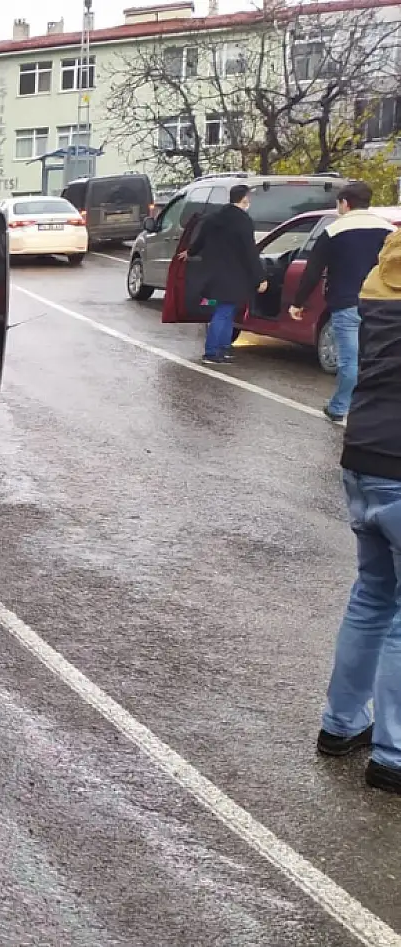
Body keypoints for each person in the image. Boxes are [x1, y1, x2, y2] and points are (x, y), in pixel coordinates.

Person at [317, 227, 401, 796]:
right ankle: (394, 754)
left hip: (364, 454)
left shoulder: (378, 284)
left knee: (373, 594)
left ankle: (341, 724)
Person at [290, 182, 394, 423]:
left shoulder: (334, 231)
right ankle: (375, 409)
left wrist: (298, 302)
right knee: (378, 358)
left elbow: (313, 271)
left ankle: (339, 407)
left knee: (349, 360)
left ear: (345, 203)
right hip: (383, 305)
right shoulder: (389, 231)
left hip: (347, 303)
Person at [184, 184, 267, 365]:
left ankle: (223, 348)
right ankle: (213, 351)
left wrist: (189, 252)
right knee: (224, 312)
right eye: (249, 197)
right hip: (234, 276)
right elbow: (249, 251)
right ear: (244, 199)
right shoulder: (243, 221)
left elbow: (200, 240)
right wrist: (260, 277)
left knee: (226, 311)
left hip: (213, 274)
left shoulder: (214, 218)